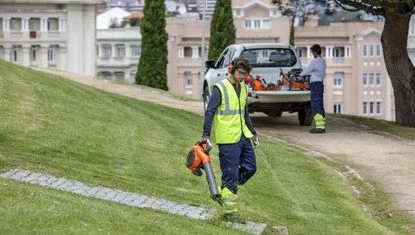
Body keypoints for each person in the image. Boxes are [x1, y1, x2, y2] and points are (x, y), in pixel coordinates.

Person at [200, 57, 259, 223]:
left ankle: (224, 189)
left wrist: (253, 132)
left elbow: (244, 113)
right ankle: (229, 214)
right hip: (227, 139)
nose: (242, 77)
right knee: (231, 175)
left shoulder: (244, 88)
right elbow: (209, 112)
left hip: (242, 136)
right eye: (240, 73)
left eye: (245, 75)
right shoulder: (220, 88)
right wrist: (206, 135)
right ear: (231, 69)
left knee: (251, 168)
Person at [300, 44, 326, 134]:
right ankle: (322, 126)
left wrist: (299, 75)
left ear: (315, 52)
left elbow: (307, 71)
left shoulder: (315, 61)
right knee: (320, 105)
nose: (312, 54)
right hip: (320, 84)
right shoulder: (323, 61)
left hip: (315, 85)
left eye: (312, 52)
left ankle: (319, 127)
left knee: (316, 105)